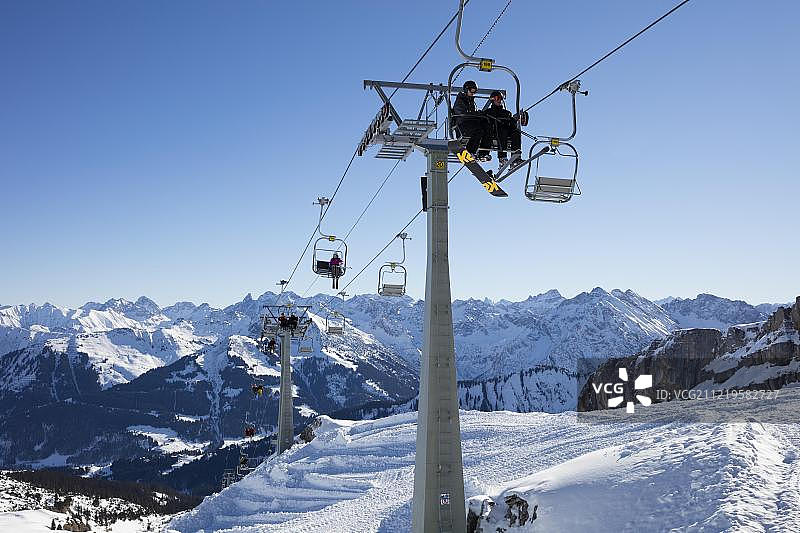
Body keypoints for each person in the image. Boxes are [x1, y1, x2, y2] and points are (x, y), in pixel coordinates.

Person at [452, 80, 491, 161]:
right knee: (478, 130)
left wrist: (479, 115)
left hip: (470, 122)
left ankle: (483, 153)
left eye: (475, 91)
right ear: (466, 89)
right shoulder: (460, 100)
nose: (473, 93)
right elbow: (461, 113)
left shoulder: (471, 101)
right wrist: (475, 114)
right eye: (472, 90)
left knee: (487, 127)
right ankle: (470, 151)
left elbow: (472, 113)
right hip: (462, 124)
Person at [485, 90, 522, 170]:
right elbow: (485, 122)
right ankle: (502, 157)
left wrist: (514, 120)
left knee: (516, 133)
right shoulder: (488, 112)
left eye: (500, 98)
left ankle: (515, 158)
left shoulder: (506, 113)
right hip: (494, 131)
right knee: (502, 131)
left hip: (505, 130)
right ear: (492, 100)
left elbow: (511, 124)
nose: (499, 100)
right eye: (497, 98)